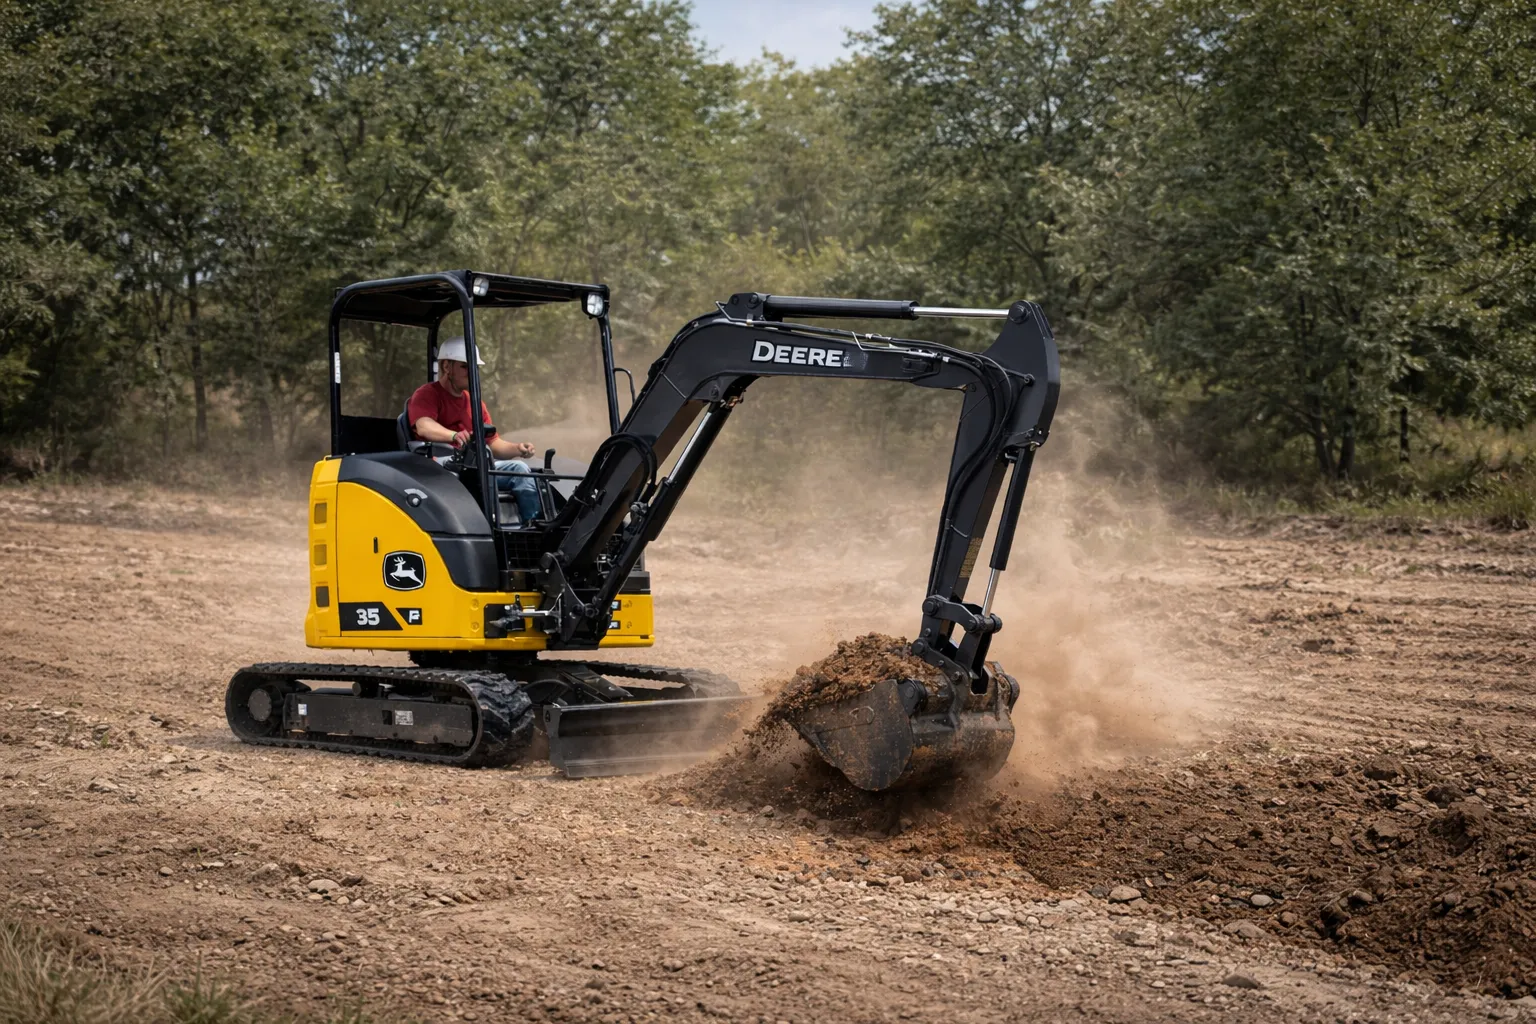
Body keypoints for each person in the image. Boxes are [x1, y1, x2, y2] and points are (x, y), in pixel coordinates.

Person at [407, 336, 543, 524]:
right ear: (447, 367)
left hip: (475, 465)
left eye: (475, 367)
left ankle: (532, 528)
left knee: (520, 469)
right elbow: (423, 426)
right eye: (465, 366)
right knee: (476, 467)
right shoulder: (427, 394)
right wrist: (453, 435)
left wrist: (518, 449)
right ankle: (488, 527)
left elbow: (493, 444)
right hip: (439, 466)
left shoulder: (476, 403)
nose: (472, 372)